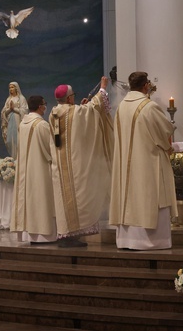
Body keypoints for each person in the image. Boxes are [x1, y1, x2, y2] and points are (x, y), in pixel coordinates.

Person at [110, 71, 178, 250]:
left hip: (125, 165)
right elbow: (165, 132)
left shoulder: (121, 107)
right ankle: (152, 241)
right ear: (146, 85)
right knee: (149, 196)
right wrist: (167, 147)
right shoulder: (149, 107)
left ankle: (127, 239)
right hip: (147, 162)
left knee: (130, 197)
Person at [50, 76, 113, 247]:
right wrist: (102, 88)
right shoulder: (72, 111)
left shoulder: (54, 112)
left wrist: (83, 106)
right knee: (78, 196)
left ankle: (66, 233)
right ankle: (70, 235)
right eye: (73, 96)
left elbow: (80, 115)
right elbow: (93, 109)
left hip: (60, 166)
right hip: (74, 165)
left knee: (64, 200)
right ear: (69, 98)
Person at [11, 95, 56, 243]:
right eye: (44, 104)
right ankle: (44, 234)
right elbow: (51, 148)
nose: (45, 107)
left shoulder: (23, 123)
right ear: (39, 106)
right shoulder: (41, 125)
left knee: (30, 199)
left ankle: (29, 234)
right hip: (40, 169)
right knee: (41, 198)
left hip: (26, 168)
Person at [1, 82, 28, 158]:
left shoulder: (21, 98)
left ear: (16, 88)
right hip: (10, 121)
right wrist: (10, 109)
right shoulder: (8, 99)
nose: (10, 89)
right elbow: (4, 112)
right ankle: (13, 157)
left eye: (12, 87)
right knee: (9, 141)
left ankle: (18, 158)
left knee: (18, 140)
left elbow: (25, 111)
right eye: (9, 87)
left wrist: (14, 109)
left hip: (18, 120)